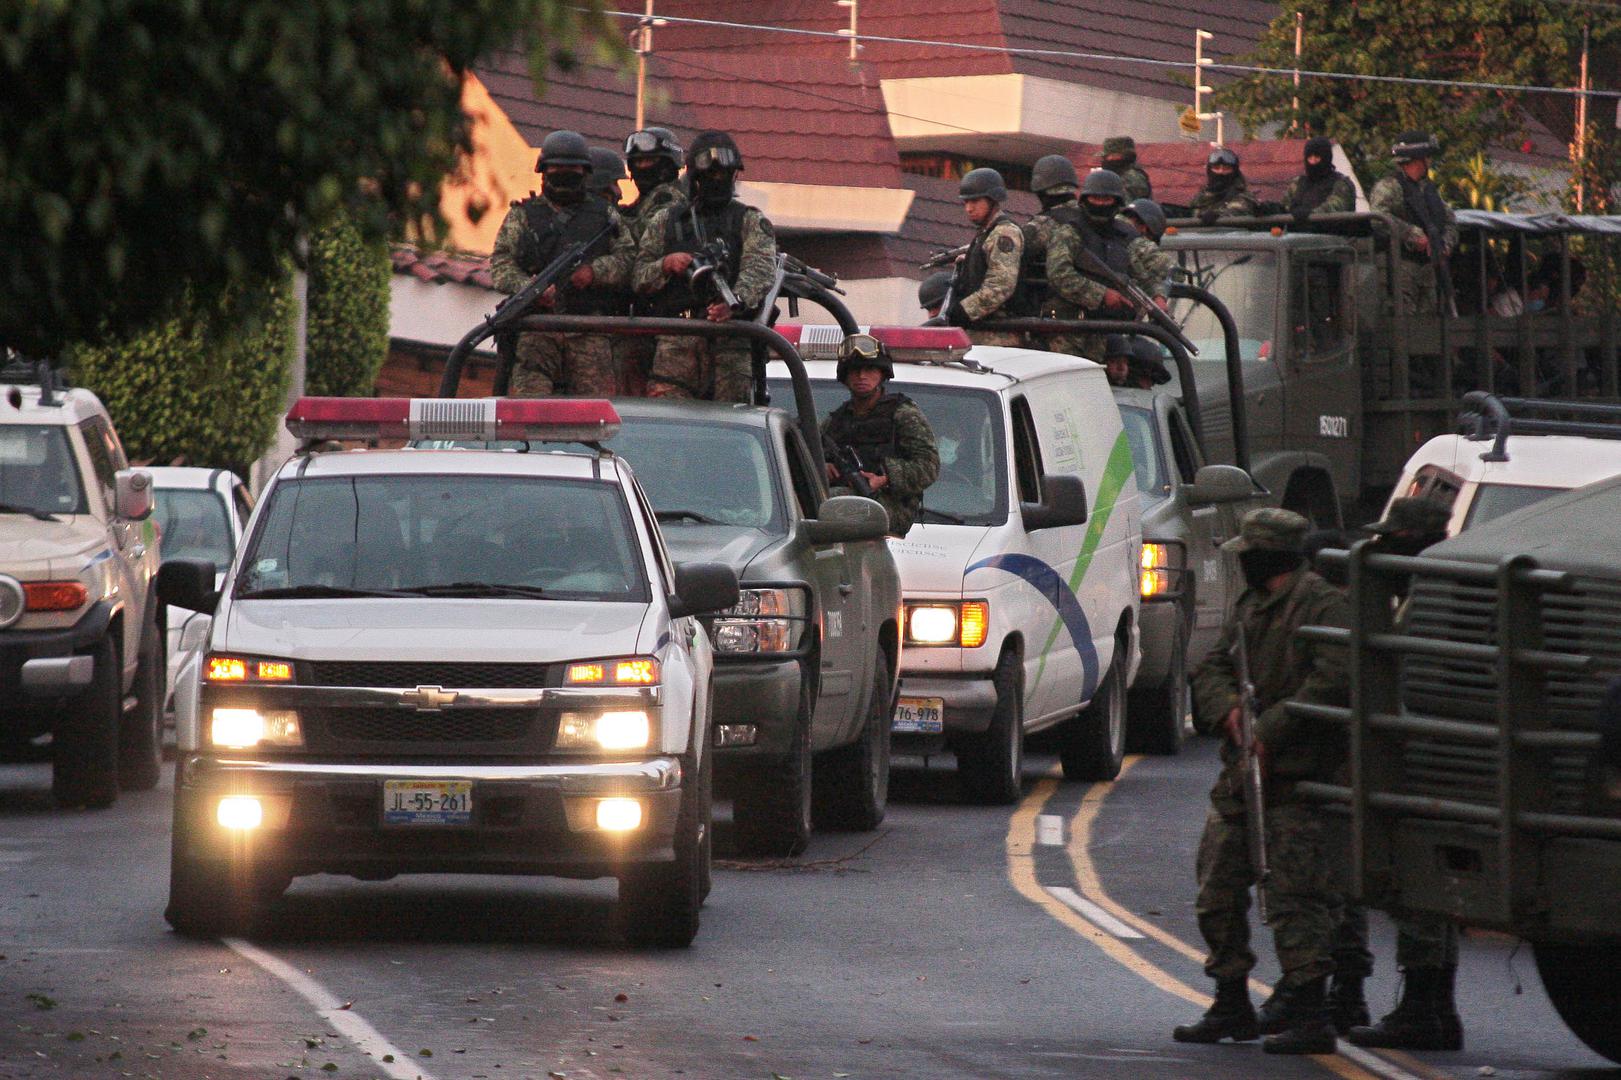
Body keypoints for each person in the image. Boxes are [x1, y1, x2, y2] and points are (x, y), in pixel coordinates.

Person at [1174, 507, 1352, 1055]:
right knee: (1217, 890)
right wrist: (1229, 711)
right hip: (1244, 775)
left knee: (1294, 896)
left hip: (1301, 776)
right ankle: (1232, 1000)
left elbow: (1336, 678)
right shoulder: (1251, 606)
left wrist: (1270, 730)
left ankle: (1309, 1007)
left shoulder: (1325, 604)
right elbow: (1213, 668)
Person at [1345, 495, 1466, 1053]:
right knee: (1433, 883)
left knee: (1417, 879)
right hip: (1441, 756)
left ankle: (1423, 1008)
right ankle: (1434, 1009)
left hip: (1425, 759)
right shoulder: (1440, 591)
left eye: (1391, 540)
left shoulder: (1431, 600)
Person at [488, 130, 637, 397]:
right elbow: (501, 263)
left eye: (572, 168)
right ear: (544, 170)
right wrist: (529, 287)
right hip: (536, 329)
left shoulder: (605, 215)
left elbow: (628, 258)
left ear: (585, 171)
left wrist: (595, 272)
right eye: (557, 167)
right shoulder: (523, 215)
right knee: (529, 412)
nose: (564, 173)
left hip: (588, 330)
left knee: (594, 414)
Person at [633, 130, 779, 402]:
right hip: (677, 339)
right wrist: (666, 264)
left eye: (724, 173)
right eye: (709, 174)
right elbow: (639, 276)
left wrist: (734, 301)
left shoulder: (749, 221)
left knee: (732, 425)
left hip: (731, 340)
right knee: (666, 422)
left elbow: (760, 270)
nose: (717, 179)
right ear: (694, 175)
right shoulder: (666, 220)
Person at [1041, 171, 1174, 361]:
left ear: (1117, 201)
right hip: (1063, 331)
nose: (1101, 204)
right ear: (1085, 200)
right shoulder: (1069, 233)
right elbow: (1059, 274)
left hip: (1099, 334)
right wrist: (1103, 294)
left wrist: (1158, 297)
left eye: (1107, 199)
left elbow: (1150, 272)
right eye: (1096, 198)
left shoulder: (1122, 237)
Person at [819, 333, 940, 538]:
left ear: (882, 374)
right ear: (845, 376)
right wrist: (822, 468)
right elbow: (807, 457)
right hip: (849, 502)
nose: (861, 377)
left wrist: (884, 478)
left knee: (828, 503)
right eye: (855, 371)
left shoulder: (903, 414)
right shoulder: (836, 421)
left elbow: (929, 465)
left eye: (869, 369)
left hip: (890, 506)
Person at [617, 127, 689, 394]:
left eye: (649, 162)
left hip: (661, 323)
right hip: (637, 322)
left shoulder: (670, 204)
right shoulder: (641, 204)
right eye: (637, 163)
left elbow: (633, 249)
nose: (642, 169)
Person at [1368, 132, 1457, 318]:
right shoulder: (1390, 186)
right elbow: (1377, 217)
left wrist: (1445, 243)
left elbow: (1449, 220)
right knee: (1404, 321)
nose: (1429, 162)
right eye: (1427, 157)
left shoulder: (1428, 189)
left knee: (1428, 323)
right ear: (1418, 159)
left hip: (1429, 268)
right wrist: (1412, 234)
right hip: (1401, 266)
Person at [944, 168, 1027, 347]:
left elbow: (1001, 286)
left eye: (975, 201)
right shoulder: (986, 234)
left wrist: (964, 310)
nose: (969, 208)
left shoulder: (1004, 233)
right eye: (965, 202)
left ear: (993, 200)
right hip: (982, 333)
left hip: (999, 337)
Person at [1285, 137, 1356, 220]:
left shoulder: (1341, 184)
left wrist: (1310, 214)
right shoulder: (1298, 183)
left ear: (1326, 158)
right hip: (1299, 232)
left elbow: (1335, 207)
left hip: (1330, 231)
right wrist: (1273, 209)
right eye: (1310, 157)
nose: (1313, 161)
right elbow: (1285, 207)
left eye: (1317, 157)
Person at [1189, 147, 1260, 224]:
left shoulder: (1243, 193)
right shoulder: (1204, 194)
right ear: (1209, 170)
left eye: (1226, 168)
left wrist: (1218, 215)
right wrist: (1210, 194)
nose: (1221, 172)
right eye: (1216, 168)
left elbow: (1239, 211)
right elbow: (1193, 211)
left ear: (1234, 171)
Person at [1100, 135, 1153, 200]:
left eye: (1108, 155)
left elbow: (1127, 206)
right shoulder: (1120, 172)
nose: (1106, 159)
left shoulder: (1132, 177)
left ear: (1123, 155)